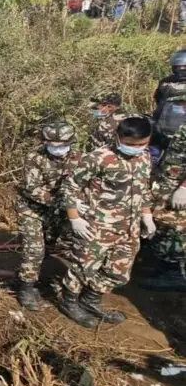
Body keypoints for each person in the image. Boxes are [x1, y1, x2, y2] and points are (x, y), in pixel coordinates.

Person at [58, 116, 156, 327]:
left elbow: (143, 188)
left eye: (142, 144)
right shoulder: (98, 158)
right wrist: (74, 218)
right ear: (118, 137)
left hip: (129, 228)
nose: (136, 148)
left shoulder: (145, 158)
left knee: (118, 272)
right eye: (130, 144)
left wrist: (147, 215)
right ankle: (69, 302)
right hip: (98, 225)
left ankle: (90, 299)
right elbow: (70, 187)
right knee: (84, 267)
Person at [15, 121, 79, 311]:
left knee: (66, 244)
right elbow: (32, 188)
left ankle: (63, 283)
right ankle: (26, 287)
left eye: (62, 145)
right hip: (32, 208)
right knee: (34, 248)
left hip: (62, 210)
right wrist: (66, 204)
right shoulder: (34, 157)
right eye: (52, 145)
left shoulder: (79, 158)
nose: (57, 149)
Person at [146, 102, 186, 290]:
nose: (180, 108)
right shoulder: (180, 126)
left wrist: (184, 188)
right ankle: (163, 267)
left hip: (180, 188)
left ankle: (174, 275)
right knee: (163, 224)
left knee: (175, 227)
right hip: (169, 182)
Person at [153, 49, 186, 122]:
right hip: (166, 120)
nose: (181, 68)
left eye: (184, 66)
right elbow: (158, 98)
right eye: (178, 66)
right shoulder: (165, 82)